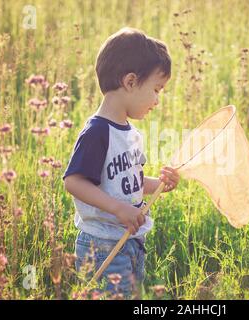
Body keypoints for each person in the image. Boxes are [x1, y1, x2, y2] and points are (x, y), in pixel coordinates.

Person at [62, 27, 179, 298]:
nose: (157, 100)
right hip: (102, 245)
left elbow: (128, 182)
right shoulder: (97, 132)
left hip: (131, 243)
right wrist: (118, 209)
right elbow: (74, 182)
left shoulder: (130, 134)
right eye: (156, 89)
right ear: (130, 82)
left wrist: (160, 184)